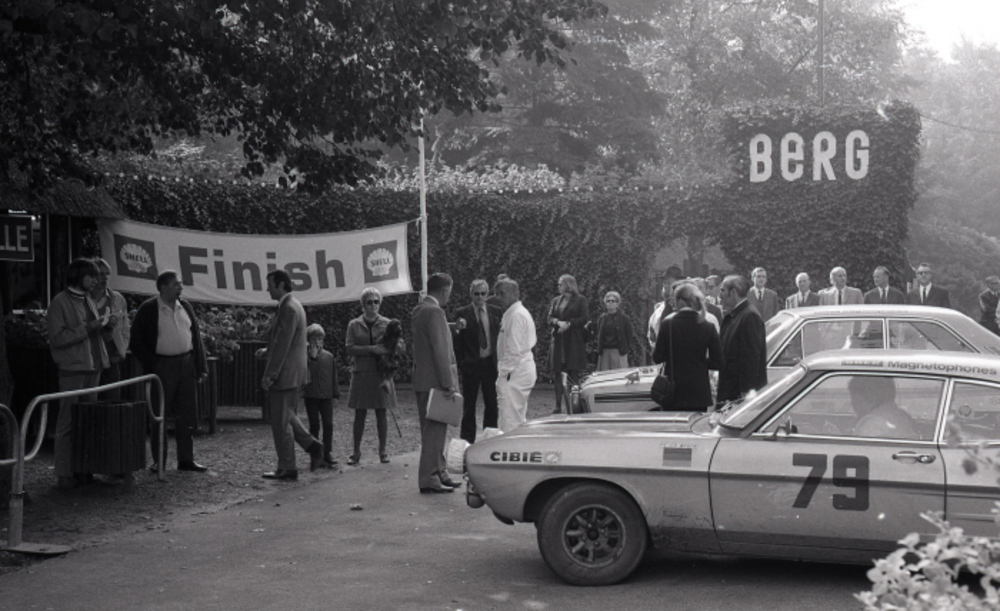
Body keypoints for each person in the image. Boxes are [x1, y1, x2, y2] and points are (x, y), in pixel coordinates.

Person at [130, 270, 209, 474]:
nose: (181, 287)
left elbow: (195, 337)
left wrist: (201, 366)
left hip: (186, 363)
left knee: (187, 413)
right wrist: (154, 363)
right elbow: (136, 341)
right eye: (176, 284)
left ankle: (186, 459)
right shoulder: (149, 308)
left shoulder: (185, 306)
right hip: (162, 365)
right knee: (160, 413)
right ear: (163, 287)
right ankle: (160, 461)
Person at [256, 270, 324, 480]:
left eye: (270, 284)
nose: (267, 288)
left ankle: (288, 467)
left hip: (285, 374)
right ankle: (313, 447)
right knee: (287, 416)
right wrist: (268, 351)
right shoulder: (292, 305)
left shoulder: (288, 308)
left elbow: (283, 344)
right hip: (291, 372)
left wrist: (270, 374)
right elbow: (287, 340)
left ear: (280, 285)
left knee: (281, 422)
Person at [47, 258, 109, 488]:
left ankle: (84, 470)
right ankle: (64, 473)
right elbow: (57, 338)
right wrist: (88, 328)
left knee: (87, 420)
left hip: (93, 366)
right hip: (73, 368)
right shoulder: (59, 302)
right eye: (91, 276)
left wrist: (105, 326)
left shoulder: (87, 299)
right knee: (68, 422)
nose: (95, 280)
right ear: (78, 276)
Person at [411, 273, 461, 494]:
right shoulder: (435, 312)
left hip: (423, 379)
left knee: (432, 431)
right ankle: (430, 477)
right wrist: (448, 383)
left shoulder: (420, 309)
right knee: (435, 432)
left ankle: (439, 471)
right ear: (444, 290)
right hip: (436, 381)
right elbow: (440, 350)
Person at [345, 287, 404, 465]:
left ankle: (383, 451)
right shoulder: (354, 325)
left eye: (376, 302)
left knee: (382, 412)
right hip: (361, 373)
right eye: (369, 302)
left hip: (381, 373)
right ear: (363, 305)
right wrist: (371, 349)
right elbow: (349, 348)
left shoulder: (388, 323)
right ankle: (356, 452)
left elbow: (399, 345)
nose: (373, 305)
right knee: (360, 414)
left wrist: (393, 349)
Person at [652, 284, 724, 411]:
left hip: (674, 391)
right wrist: (700, 361)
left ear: (679, 301)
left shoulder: (667, 324)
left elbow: (657, 357)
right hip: (699, 391)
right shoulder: (708, 326)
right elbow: (718, 362)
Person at [453, 279, 501, 443]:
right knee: (469, 405)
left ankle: (490, 439)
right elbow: (458, 342)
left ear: (487, 294)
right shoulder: (462, 313)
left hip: (489, 363)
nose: (479, 297)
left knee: (492, 403)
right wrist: (462, 363)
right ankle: (467, 440)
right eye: (476, 294)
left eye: (483, 293)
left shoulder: (496, 312)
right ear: (471, 294)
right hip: (471, 363)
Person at [496, 277, 537, 432]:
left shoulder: (516, 315)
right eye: (497, 294)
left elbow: (514, 350)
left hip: (515, 372)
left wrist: (502, 374)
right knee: (515, 417)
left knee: (510, 419)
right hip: (517, 370)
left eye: (502, 293)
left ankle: (509, 445)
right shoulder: (513, 313)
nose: (498, 298)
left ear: (514, 294)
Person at [717, 275, 767, 403]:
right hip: (730, 391)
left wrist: (746, 393)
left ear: (733, 292)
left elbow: (751, 359)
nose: (720, 295)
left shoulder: (749, 316)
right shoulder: (735, 315)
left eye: (723, 290)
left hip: (739, 396)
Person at [89, 258, 130, 400]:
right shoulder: (83, 298)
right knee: (89, 402)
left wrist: (121, 352)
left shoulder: (118, 299)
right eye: (100, 274)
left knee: (112, 401)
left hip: (111, 359)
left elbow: (125, 329)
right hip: (90, 359)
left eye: (107, 273)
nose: (105, 277)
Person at [547, 274, 589, 414]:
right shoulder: (556, 300)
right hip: (558, 341)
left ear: (568, 285)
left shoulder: (580, 300)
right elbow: (549, 318)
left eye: (561, 284)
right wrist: (558, 322)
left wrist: (569, 324)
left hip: (573, 341)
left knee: (573, 373)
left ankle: (574, 405)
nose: (558, 286)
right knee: (557, 373)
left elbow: (584, 318)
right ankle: (558, 405)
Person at [303, 323, 341, 467]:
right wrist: (312, 358)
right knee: (314, 425)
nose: (317, 342)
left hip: (326, 396)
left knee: (328, 425)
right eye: (314, 339)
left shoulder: (329, 356)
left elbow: (333, 377)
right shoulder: (304, 357)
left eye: (319, 339)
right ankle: (315, 454)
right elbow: (307, 375)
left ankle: (327, 452)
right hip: (311, 396)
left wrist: (335, 394)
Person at [848, 376, 917, 439]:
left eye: (853, 398)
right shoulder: (901, 416)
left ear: (858, 398)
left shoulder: (871, 425)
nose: (852, 404)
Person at [594, 291, 633, 371]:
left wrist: (624, 349)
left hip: (619, 352)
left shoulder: (624, 318)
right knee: (605, 375)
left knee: (619, 375)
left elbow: (629, 335)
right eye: (608, 301)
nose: (610, 303)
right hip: (605, 352)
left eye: (613, 301)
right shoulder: (602, 318)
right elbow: (598, 334)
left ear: (617, 303)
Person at [648, 267, 684, 349]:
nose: (666, 286)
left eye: (669, 283)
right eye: (664, 283)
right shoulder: (659, 308)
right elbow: (652, 332)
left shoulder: (685, 306)